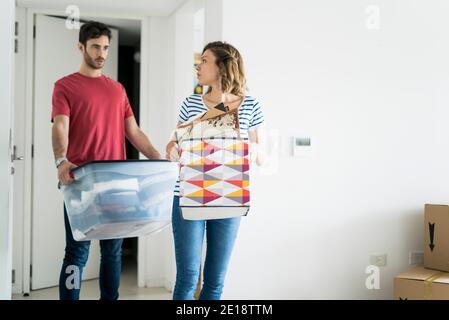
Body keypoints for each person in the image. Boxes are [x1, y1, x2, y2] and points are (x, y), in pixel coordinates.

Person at [51, 21, 161, 300]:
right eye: (96, 46)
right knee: (76, 251)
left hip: (116, 183)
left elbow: (133, 131)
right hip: (81, 182)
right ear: (81, 47)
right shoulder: (64, 86)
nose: (101, 53)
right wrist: (61, 161)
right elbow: (60, 126)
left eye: (106, 48)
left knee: (112, 252)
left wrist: (159, 159)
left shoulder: (117, 90)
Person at [166, 41, 266, 300]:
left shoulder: (250, 105)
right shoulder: (191, 103)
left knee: (215, 281)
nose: (197, 66)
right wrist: (171, 148)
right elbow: (174, 141)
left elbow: (263, 154)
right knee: (187, 278)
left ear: (222, 66)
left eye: (205, 61)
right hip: (188, 195)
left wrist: (255, 149)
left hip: (229, 196)